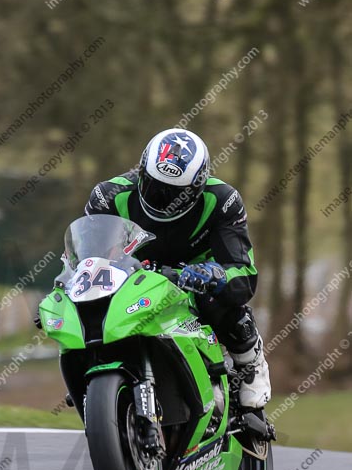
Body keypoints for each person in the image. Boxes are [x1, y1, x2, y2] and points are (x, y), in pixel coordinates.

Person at [84, 127, 271, 409]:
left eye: (174, 194)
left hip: (193, 275)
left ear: (197, 186)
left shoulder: (222, 200)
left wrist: (215, 275)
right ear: (142, 173)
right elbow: (86, 258)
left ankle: (250, 361)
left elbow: (243, 272)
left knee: (221, 299)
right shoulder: (109, 195)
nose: (162, 200)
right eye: (154, 187)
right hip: (133, 274)